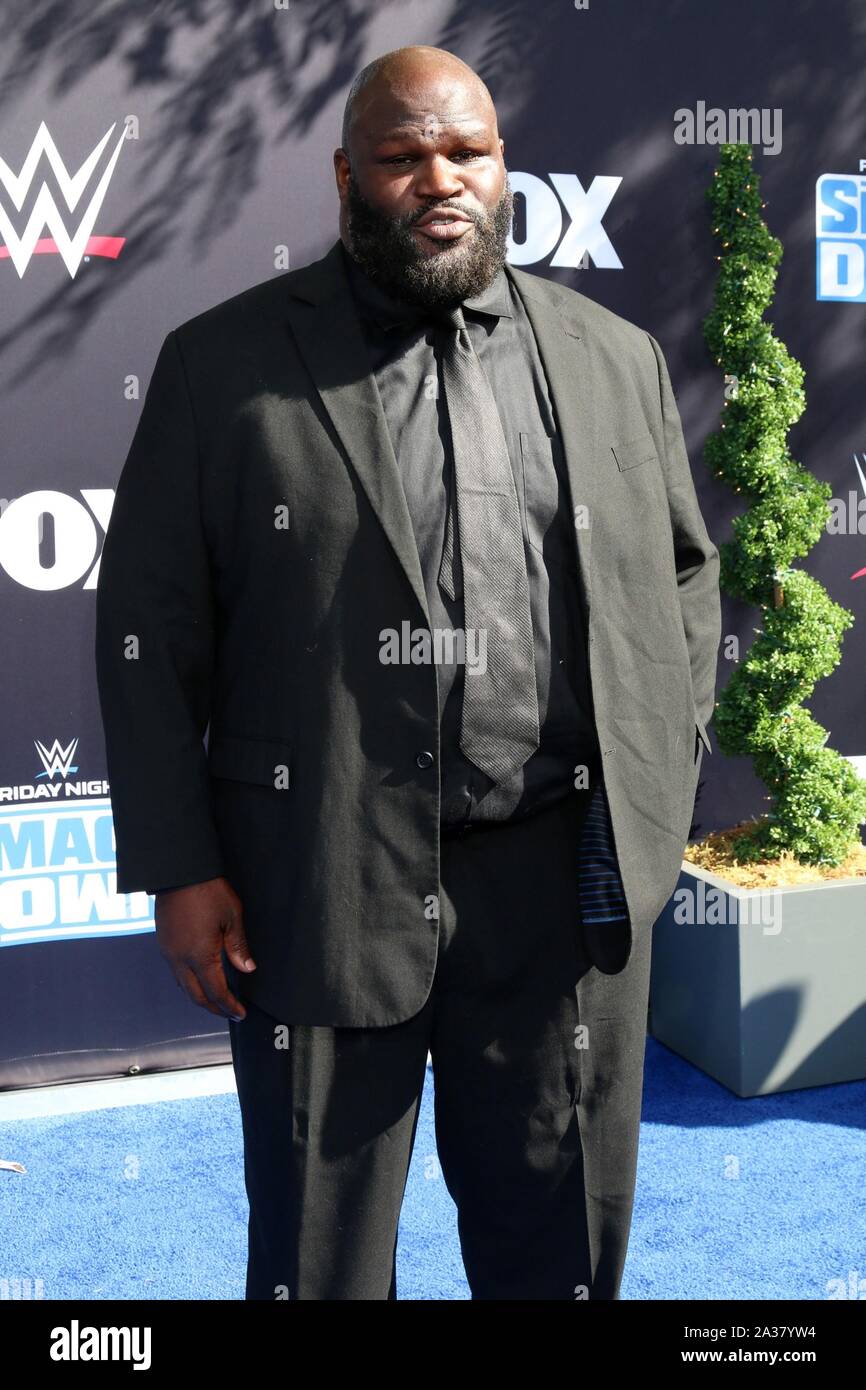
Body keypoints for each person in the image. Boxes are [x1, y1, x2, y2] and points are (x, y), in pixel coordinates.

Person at [95, 44, 721, 1300]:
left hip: (556, 890)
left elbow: (683, 581)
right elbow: (148, 632)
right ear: (344, 177)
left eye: (465, 152)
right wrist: (180, 864)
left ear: (502, 168)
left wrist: (651, 780)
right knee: (318, 1262)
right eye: (400, 155)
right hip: (314, 889)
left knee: (558, 1246)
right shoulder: (223, 368)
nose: (437, 178)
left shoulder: (611, 358)